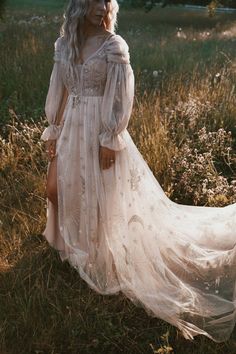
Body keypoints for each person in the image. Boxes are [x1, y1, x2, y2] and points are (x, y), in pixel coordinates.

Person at [41, 0, 236, 343]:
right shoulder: (64, 43)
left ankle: (99, 254)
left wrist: (109, 138)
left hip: (101, 131)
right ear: (78, 4)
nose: (101, 7)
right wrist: (53, 132)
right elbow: (60, 91)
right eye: (94, 0)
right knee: (58, 190)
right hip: (71, 128)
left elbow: (120, 98)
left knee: (102, 196)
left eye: (106, 1)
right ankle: (73, 246)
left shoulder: (114, 46)